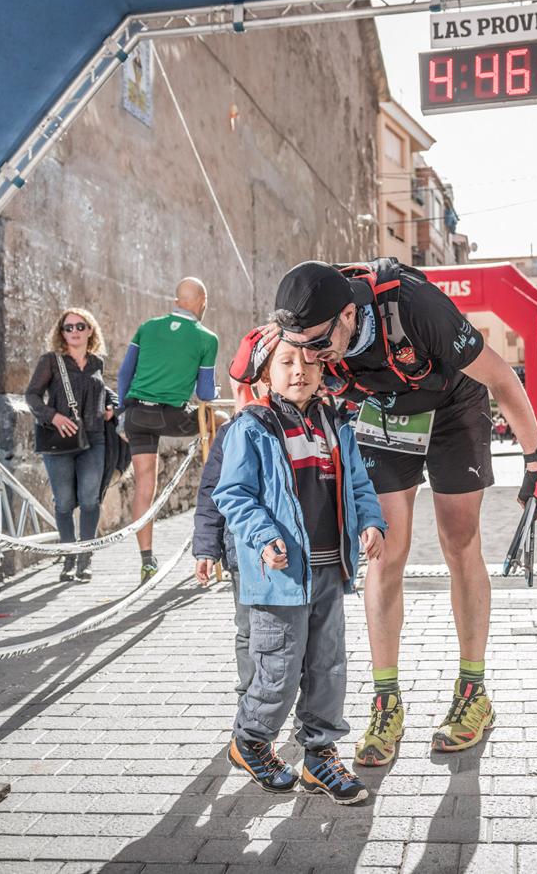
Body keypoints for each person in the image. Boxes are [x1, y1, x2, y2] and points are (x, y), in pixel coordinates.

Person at [267, 258, 537, 767]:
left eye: (317, 344)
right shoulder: (306, 334)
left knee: (459, 539)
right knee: (381, 549)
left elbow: (503, 382)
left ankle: (473, 693)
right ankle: (386, 702)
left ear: (347, 316)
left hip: (453, 405)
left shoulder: (417, 309)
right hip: (386, 413)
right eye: (300, 346)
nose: (309, 357)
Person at [213, 335, 386, 805]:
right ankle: (250, 742)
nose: (299, 371)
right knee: (279, 670)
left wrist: (371, 521)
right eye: (286, 362)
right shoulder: (251, 427)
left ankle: (319, 756)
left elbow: (359, 483)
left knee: (328, 667)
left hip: (330, 570)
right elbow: (232, 494)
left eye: (309, 362)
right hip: (279, 577)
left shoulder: (336, 423)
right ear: (266, 372)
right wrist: (265, 536)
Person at [191, 327, 278, 699]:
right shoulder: (232, 431)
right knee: (247, 628)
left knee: (294, 629)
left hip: (289, 552)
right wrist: (206, 550)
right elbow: (211, 493)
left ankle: (293, 693)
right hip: (242, 552)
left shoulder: (305, 426)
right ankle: (249, 697)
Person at [117, 278, 219, 583]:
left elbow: (124, 373)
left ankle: (147, 560)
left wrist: (123, 414)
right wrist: (213, 389)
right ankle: (218, 485)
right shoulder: (206, 337)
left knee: (144, 485)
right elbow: (205, 393)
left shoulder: (148, 327)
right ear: (202, 300)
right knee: (222, 419)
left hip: (136, 413)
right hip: (170, 416)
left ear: (177, 301)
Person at [25, 308, 117, 582]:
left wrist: (111, 404)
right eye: (68, 328)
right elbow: (31, 396)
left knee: (90, 499)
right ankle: (68, 557)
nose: (74, 332)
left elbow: (102, 390)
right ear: (61, 332)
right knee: (64, 503)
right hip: (59, 441)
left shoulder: (96, 363)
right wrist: (53, 416)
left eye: (80, 326)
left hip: (94, 439)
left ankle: (84, 559)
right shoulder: (51, 361)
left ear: (90, 330)